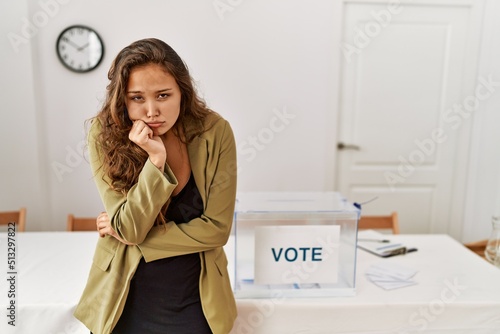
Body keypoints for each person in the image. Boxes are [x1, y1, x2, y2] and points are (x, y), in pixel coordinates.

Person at [74, 38, 238, 334]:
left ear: (182, 93)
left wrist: (126, 233)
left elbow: (217, 229)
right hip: (123, 296)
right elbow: (131, 228)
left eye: (163, 95)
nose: (151, 111)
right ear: (122, 99)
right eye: (137, 98)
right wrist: (156, 159)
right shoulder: (104, 133)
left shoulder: (215, 132)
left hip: (197, 300)